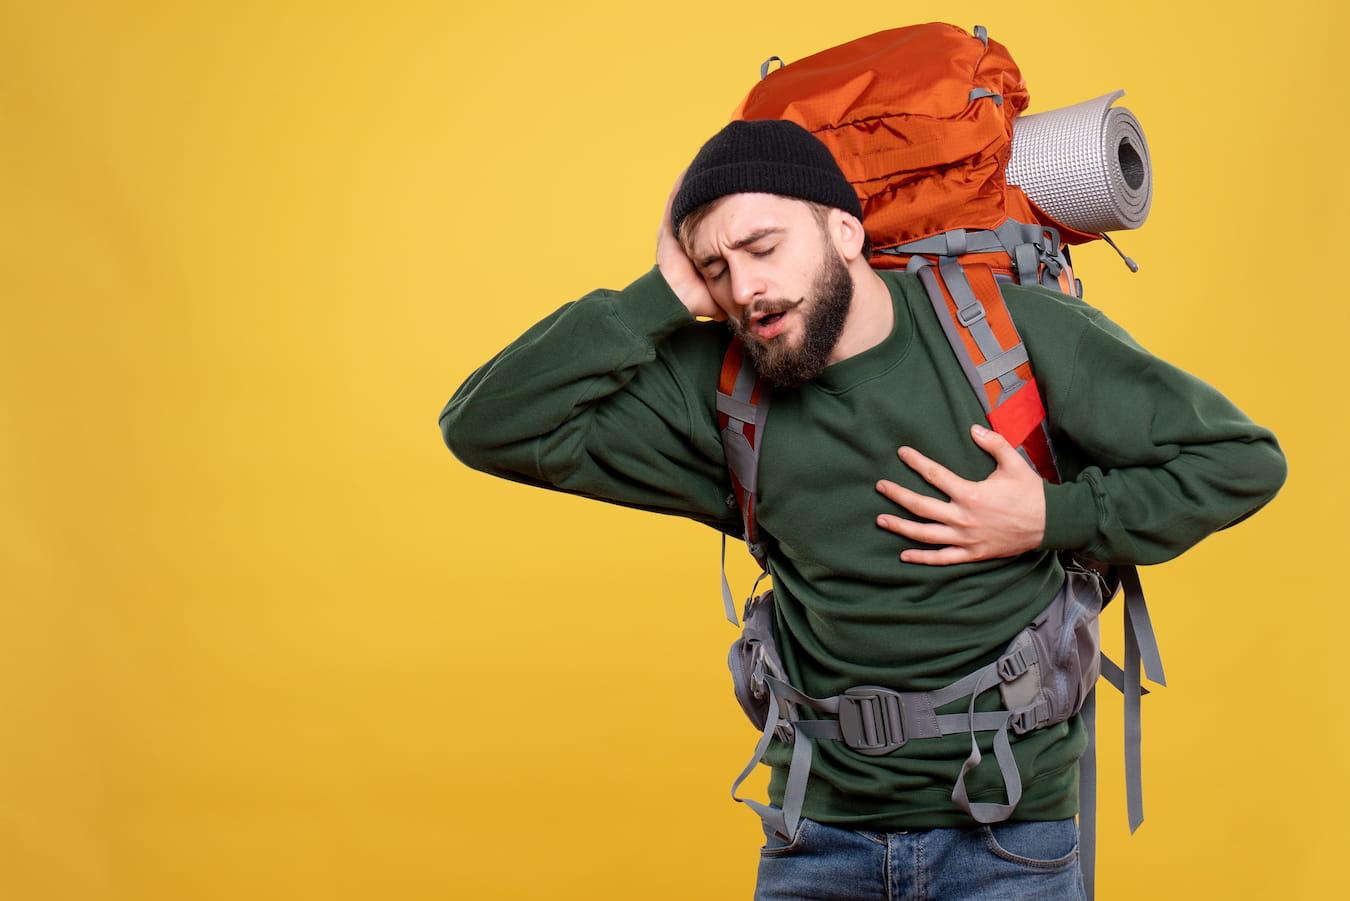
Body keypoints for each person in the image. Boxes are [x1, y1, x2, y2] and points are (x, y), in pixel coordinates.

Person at [437, 119, 1288, 900]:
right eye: (715, 268)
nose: (747, 288)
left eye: (764, 246)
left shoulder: (1005, 332)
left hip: (1011, 839)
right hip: (817, 838)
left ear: (844, 230)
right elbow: (483, 424)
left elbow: (1242, 460)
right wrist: (660, 292)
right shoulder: (722, 386)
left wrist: (1049, 518)